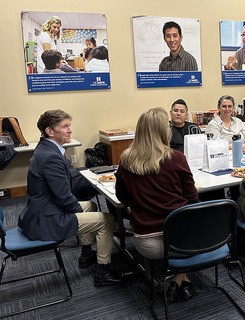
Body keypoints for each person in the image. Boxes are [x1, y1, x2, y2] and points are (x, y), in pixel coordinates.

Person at [18, 109, 122, 286]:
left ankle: (87, 254)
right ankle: (103, 273)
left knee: (91, 206)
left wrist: (80, 209)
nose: (69, 130)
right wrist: (77, 211)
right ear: (50, 131)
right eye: (65, 126)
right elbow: (65, 198)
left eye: (69, 126)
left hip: (42, 210)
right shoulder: (51, 157)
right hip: (46, 220)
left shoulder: (46, 148)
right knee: (107, 219)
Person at [115, 107, 199, 303]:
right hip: (183, 239)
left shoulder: (127, 160)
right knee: (189, 225)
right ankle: (180, 279)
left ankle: (178, 280)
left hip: (147, 243)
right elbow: (192, 198)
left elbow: (122, 197)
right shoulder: (177, 158)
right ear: (163, 131)